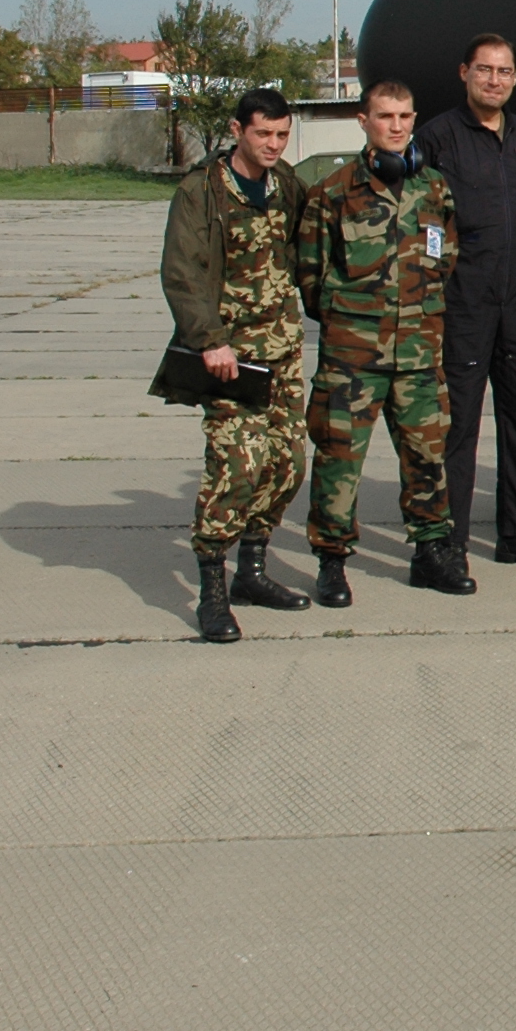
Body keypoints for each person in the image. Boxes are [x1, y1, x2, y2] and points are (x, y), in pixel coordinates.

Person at [297, 81, 463, 602]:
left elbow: (445, 260)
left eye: (405, 116)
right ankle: (331, 560)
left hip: (419, 353)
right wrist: (354, 320)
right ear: (363, 121)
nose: (396, 126)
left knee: (427, 457)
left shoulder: (433, 188)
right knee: (339, 459)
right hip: (353, 357)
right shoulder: (333, 191)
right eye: (385, 116)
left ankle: (431, 553)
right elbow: (310, 275)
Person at [157, 85, 312, 642]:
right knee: (238, 467)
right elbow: (182, 271)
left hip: (283, 350)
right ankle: (212, 588)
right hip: (231, 358)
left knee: (288, 465)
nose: (273, 144)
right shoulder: (202, 191)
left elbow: (306, 248)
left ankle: (252, 570)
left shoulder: (285, 184)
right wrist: (209, 340)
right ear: (237, 130)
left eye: (282, 135)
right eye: (263, 133)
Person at [415, 34, 516, 571]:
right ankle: (448, 542)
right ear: (464, 73)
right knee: (458, 428)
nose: (494, 80)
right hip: (464, 307)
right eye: (484, 70)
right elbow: (420, 224)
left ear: (515, 78)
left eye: (504, 71)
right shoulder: (438, 138)